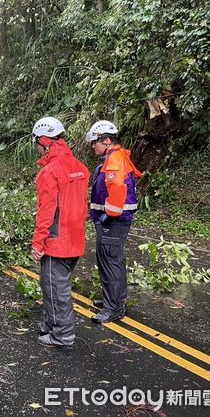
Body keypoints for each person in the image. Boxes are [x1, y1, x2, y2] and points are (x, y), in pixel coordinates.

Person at [31, 117, 90, 349]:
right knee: (52, 286)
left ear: (44, 141)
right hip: (74, 238)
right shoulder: (80, 168)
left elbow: (47, 210)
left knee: (56, 290)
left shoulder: (50, 171)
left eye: (37, 142)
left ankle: (62, 335)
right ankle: (50, 325)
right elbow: (83, 206)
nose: (36, 147)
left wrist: (38, 242)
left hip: (57, 242)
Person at [86, 120, 142, 324]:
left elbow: (117, 190)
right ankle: (116, 299)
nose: (93, 146)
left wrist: (107, 215)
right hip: (111, 220)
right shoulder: (113, 157)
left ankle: (114, 308)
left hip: (113, 221)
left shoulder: (115, 160)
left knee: (110, 261)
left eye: (95, 142)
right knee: (112, 259)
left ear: (107, 140)